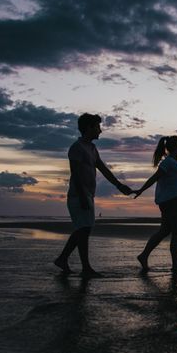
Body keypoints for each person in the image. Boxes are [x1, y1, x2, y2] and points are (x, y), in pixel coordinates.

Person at [54, 113, 132, 277]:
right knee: (84, 229)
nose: (100, 131)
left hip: (87, 194)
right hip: (78, 195)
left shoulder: (92, 148)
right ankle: (85, 268)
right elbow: (75, 174)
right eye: (97, 127)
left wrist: (119, 186)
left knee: (83, 229)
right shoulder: (77, 147)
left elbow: (103, 169)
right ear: (89, 127)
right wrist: (83, 196)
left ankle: (63, 259)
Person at [134, 136, 177, 272]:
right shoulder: (168, 162)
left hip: (171, 201)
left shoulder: (173, 162)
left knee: (165, 230)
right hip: (173, 202)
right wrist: (141, 190)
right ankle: (176, 264)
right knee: (176, 233)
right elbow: (155, 177)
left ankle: (144, 255)